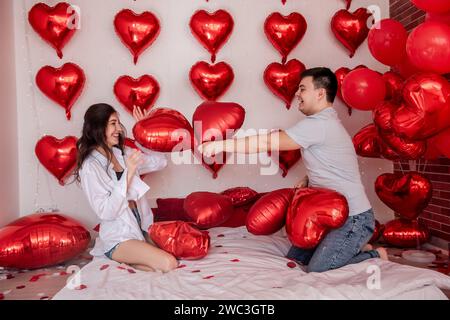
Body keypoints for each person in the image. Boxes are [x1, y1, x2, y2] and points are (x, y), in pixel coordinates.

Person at [199, 67, 388, 273]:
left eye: (302, 88)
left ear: (320, 93)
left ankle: (374, 254)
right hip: (323, 212)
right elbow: (333, 162)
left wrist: (222, 145)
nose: (297, 94)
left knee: (318, 269)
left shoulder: (319, 125)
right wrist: (309, 178)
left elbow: (267, 142)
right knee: (295, 260)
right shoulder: (323, 124)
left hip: (353, 219)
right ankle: (350, 248)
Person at [74, 103, 178, 273]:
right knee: (169, 263)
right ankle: (121, 257)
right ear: (98, 127)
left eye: (118, 123)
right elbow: (106, 212)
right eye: (113, 123)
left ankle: (132, 263)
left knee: (174, 253)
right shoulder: (90, 167)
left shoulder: (123, 152)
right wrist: (128, 174)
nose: (119, 129)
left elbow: (160, 162)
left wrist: (145, 130)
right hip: (118, 237)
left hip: (140, 226)